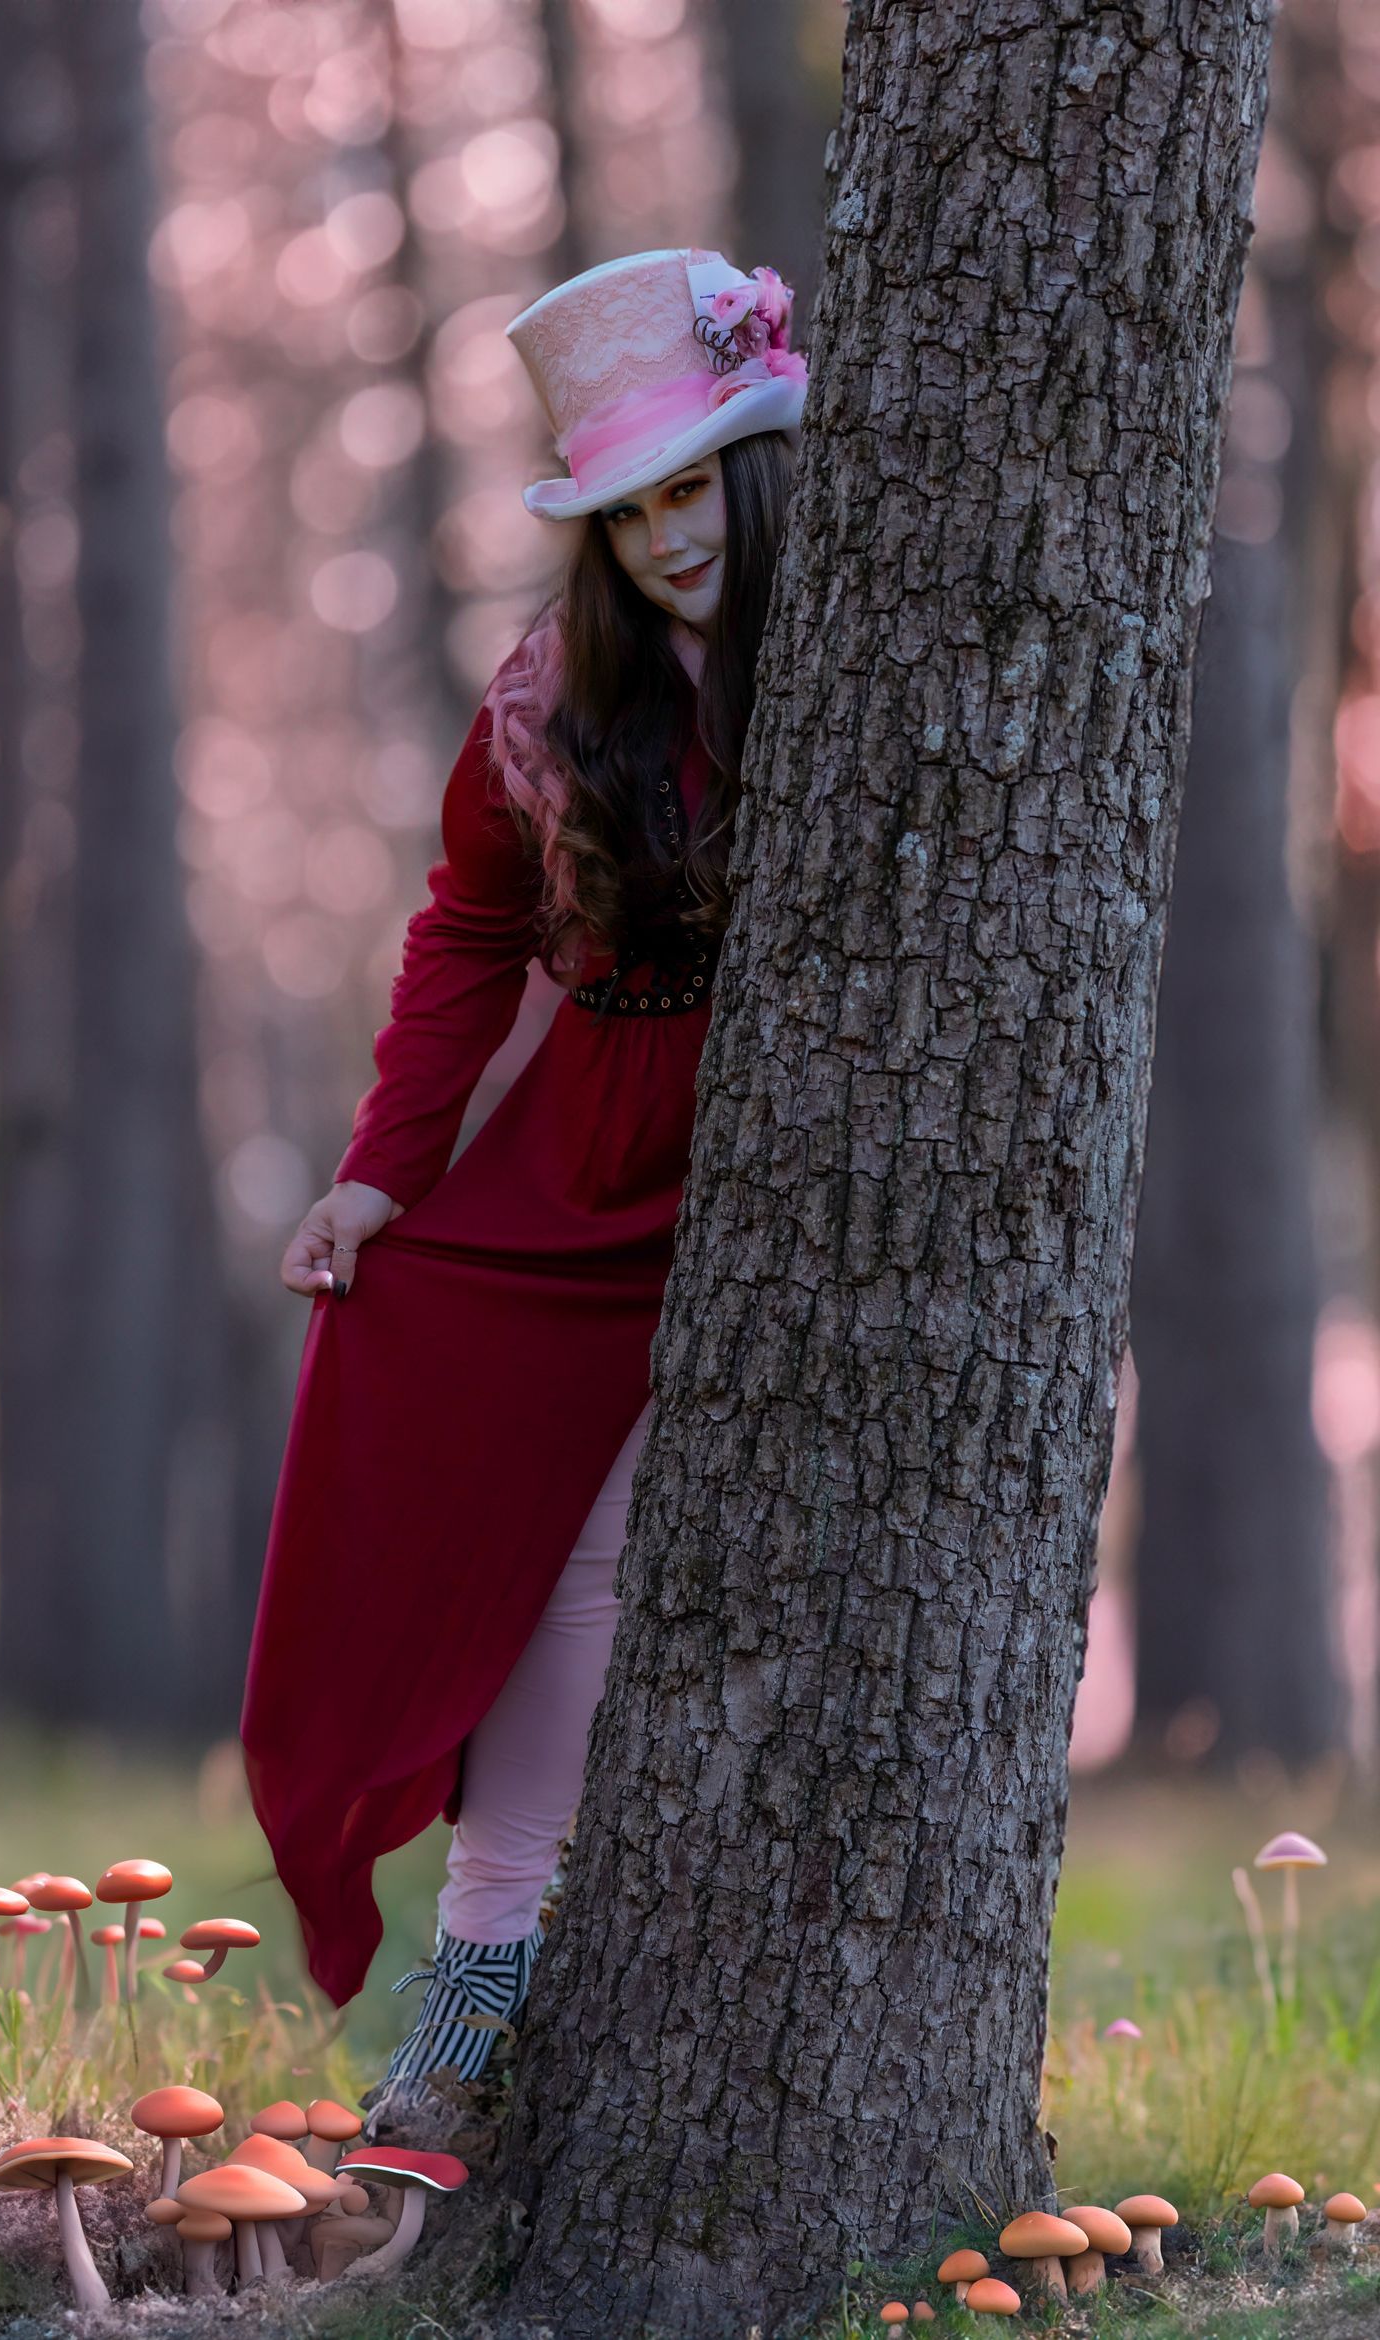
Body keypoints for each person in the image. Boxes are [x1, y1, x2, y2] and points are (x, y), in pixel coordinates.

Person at [239, 246, 809, 2131]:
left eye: (691, 487)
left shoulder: (869, 641)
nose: (669, 538)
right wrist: (380, 1180)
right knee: (517, 1538)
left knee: (612, 1557)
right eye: (630, 509)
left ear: (754, 468)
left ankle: (514, 1965)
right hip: (582, 1162)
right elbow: (467, 937)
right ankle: (477, 1988)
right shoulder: (550, 699)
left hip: (783, 1142)